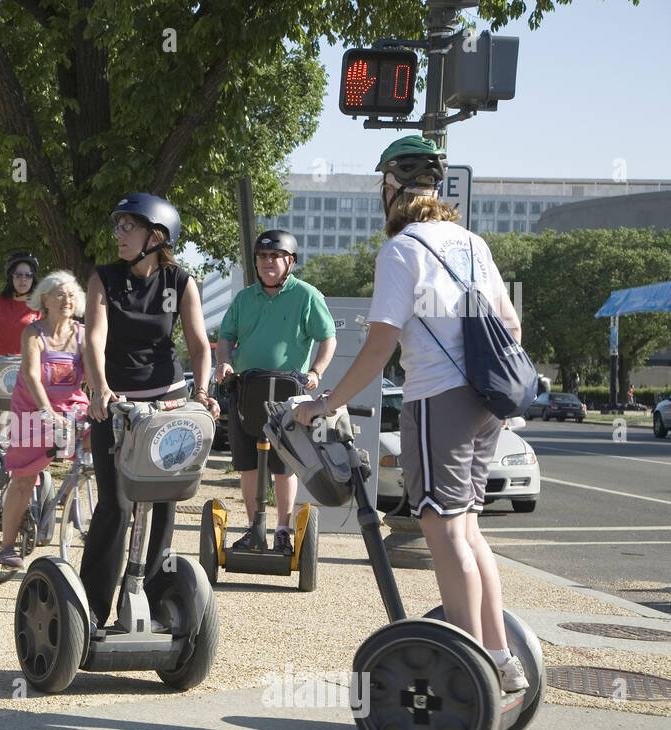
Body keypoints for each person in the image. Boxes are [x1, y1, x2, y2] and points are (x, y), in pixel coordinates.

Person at [291, 135, 528, 693]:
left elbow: (379, 346)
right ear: (438, 188)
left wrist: (326, 403)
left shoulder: (401, 250)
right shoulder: (472, 242)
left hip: (437, 398)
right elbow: (510, 326)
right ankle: (500, 656)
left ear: (391, 188)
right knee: (467, 527)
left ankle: (473, 671)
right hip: (486, 402)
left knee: (440, 529)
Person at [81, 193, 219, 627]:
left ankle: (152, 600)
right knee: (116, 505)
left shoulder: (180, 281)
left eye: (129, 226)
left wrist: (202, 391)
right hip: (117, 405)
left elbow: (198, 343)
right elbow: (94, 338)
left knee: (163, 502)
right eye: (118, 225)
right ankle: (92, 607)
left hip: (167, 400)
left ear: (156, 237)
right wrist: (100, 388)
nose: (118, 234)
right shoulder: (104, 278)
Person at [215, 229, 336, 555]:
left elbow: (328, 338)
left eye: (276, 256)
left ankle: (282, 531)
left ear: (290, 261)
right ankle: (256, 529)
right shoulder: (244, 298)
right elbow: (225, 336)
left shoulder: (307, 295)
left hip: (288, 390)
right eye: (263, 257)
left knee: (283, 465)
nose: (268, 262)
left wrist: (316, 372)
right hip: (246, 389)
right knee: (249, 465)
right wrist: (224, 363)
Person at [0, 271, 90, 569]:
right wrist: (47, 411)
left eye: (72, 295)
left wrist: (105, 394)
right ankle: (7, 546)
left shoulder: (82, 333)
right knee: (23, 479)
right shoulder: (33, 332)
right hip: (33, 409)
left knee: (99, 442)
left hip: (73, 406)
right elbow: (31, 375)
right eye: (60, 294)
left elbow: (96, 374)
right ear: (45, 299)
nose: (67, 300)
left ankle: (73, 500)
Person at [0, 251, 42, 400]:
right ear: (10, 277)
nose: (23, 279)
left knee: (26, 422)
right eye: (18, 275)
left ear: (33, 278)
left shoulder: (40, 307)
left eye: (28, 275)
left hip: (30, 377)